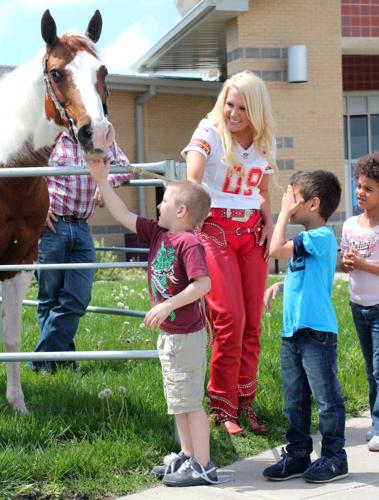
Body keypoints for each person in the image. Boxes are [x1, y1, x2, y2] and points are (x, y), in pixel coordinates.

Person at [88, 158, 218, 487]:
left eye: (165, 201)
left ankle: (203, 465)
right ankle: (188, 456)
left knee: (190, 402)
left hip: (185, 337)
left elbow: (203, 284)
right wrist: (101, 180)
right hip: (171, 336)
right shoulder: (159, 233)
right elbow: (122, 214)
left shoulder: (188, 242)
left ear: (182, 212)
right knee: (179, 400)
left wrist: (168, 304)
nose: (158, 205)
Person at [182, 70, 275, 435]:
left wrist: (270, 221)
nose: (233, 113)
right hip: (216, 229)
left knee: (253, 322)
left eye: (242, 108)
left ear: (257, 110)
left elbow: (264, 191)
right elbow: (194, 177)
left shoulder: (266, 141)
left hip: (252, 233)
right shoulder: (209, 131)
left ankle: (244, 402)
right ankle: (222, 406)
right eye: (229, 104)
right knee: (230, 319)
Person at [262, 170, 349, 483]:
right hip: (293, 332)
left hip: (317, 333)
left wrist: (282, 214)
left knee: (327, 400)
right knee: (294, 399)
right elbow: (305, 272)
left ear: (313, 204)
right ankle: (298, 454)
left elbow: (275, 250)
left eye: (293, 197)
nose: (289, 202)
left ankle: (335, 458)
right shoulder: (307, 242)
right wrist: (281, 285)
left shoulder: (321, 237)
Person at [30, 131, 130, 373]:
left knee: (78, 298)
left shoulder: (102, 135)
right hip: (51, 227)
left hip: (82, 228)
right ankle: (62, 363)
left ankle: (41, 359)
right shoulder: (49, 136)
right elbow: (27, 179)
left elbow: (126, 167)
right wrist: (38, 208)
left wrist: (105, 184)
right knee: (49, 299)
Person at [341, 153, 379, 452]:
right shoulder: (350, 224)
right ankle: (376, 421)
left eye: (368, 188)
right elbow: (345, 263)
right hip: (358, 305)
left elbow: (369, 265)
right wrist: (347, 264)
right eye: (358, 185)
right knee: (370, 369)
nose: (360, 192)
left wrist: (364, 264)